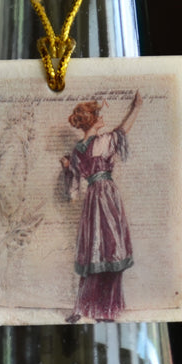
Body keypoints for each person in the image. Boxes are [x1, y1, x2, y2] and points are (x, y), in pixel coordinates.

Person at [61, 91, 142, 322]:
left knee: (95, 251)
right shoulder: (102, 142)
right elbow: (123, 131)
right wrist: (136, 108)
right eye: (99, 115)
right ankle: (102, 310)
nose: (102, 117)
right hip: (106, 196)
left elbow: (73, 189)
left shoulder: (77, 151)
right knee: (111, 249)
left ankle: (85, 308)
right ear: (93, 120)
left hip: (92, 200)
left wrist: (67, 168)